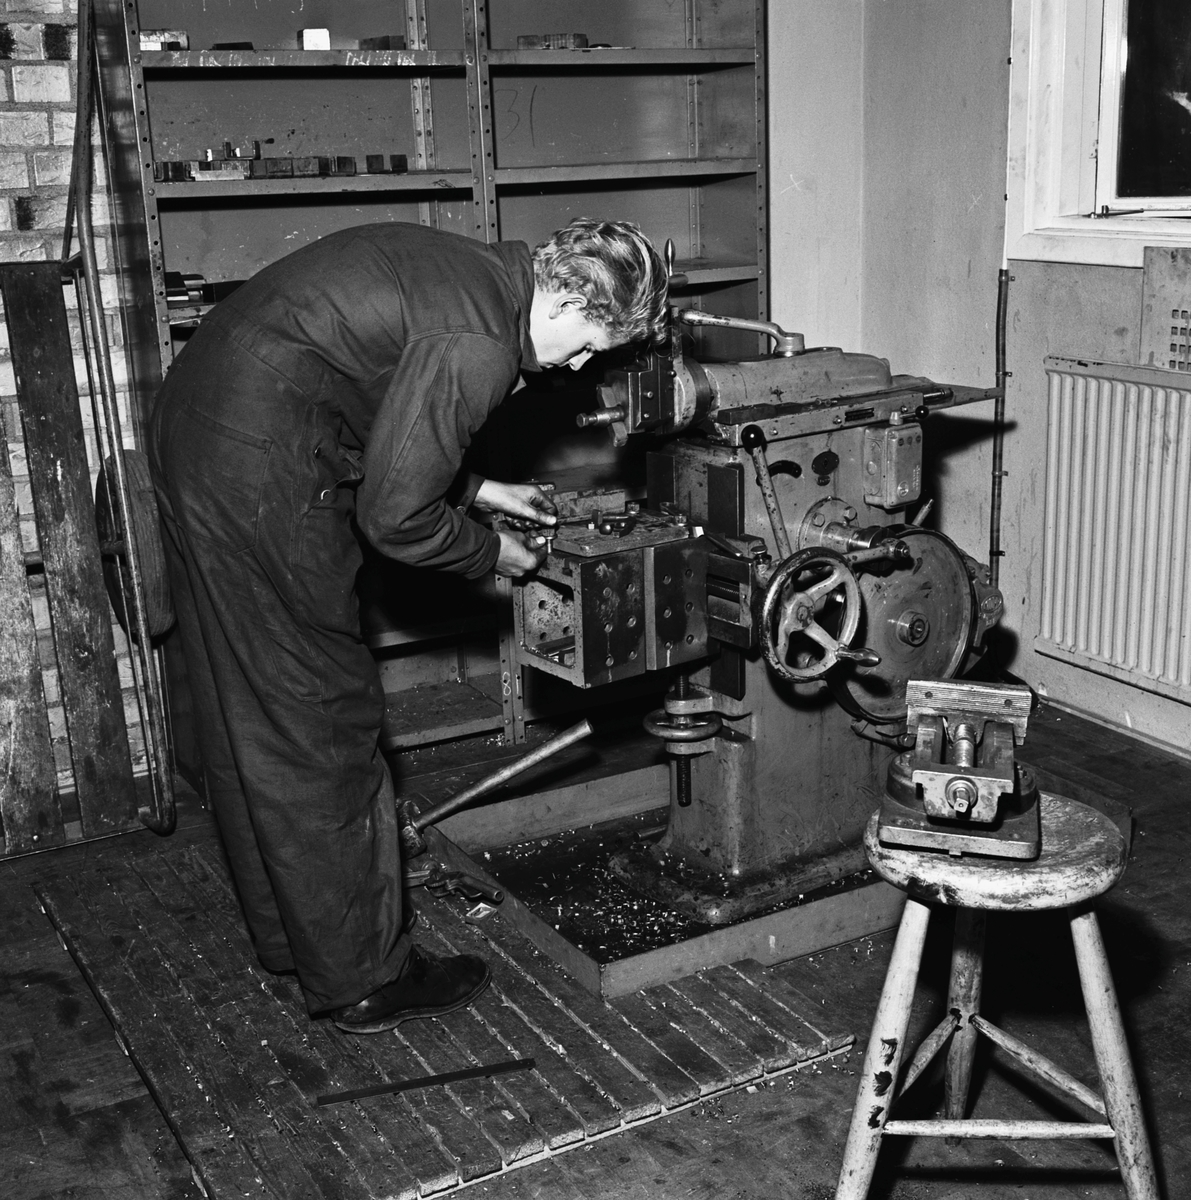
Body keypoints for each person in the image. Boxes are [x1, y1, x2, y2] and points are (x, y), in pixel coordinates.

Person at [149, 218, 667, 1033]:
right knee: (321, 715)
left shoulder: (475, 275)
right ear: (567, 299)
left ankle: (297, 941)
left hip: (207, 433)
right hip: (261, 474)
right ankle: (363, 977)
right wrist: (491, 553)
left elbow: (379, 408)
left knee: (250, 704)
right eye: (587, 347)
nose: (575, 368)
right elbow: (395, 518)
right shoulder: (479, 345)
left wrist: (478, 491)